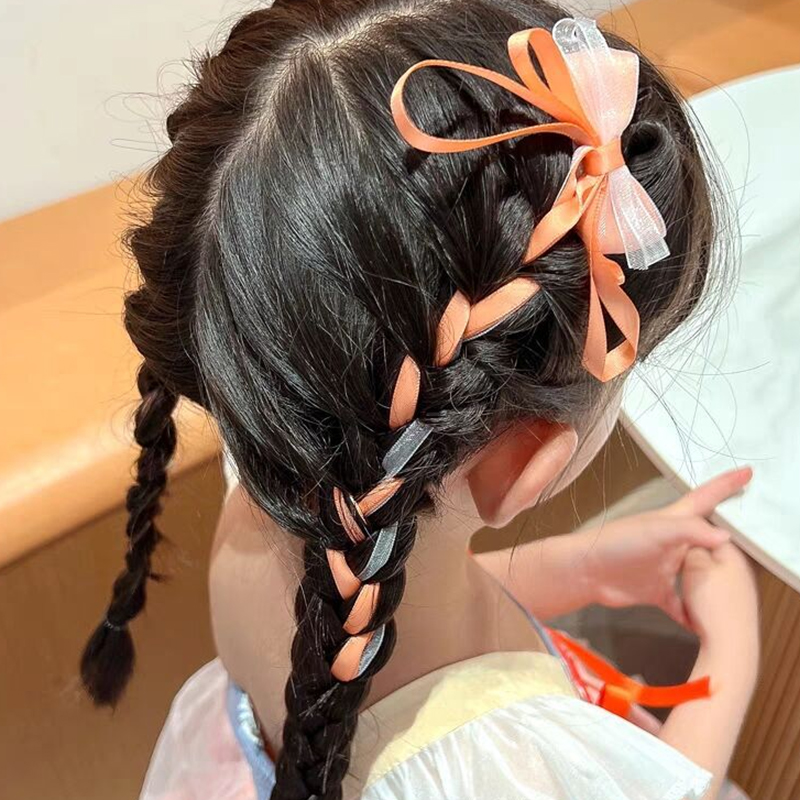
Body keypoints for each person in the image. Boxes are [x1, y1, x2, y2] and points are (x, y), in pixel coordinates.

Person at [80, 2, 759, 799]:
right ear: (519, 466)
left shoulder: (267, 518)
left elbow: (398, 614)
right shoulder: (507, 774)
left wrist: (578, 568)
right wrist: (731, 657)